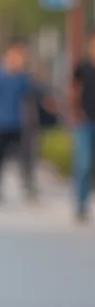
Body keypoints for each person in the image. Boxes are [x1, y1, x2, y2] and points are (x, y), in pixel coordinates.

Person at [0, 39, 41, 203]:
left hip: (19, 124)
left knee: (25, 158)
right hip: (0, 122)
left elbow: (29, 100)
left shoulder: (23, 78)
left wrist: (30, 121)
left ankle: (28, 188)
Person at [70, 30, 95, 222]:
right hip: (85, 121)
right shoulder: (83, 67)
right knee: (83, 163)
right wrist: (75, 111)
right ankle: (80, 203)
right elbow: (74, 90)